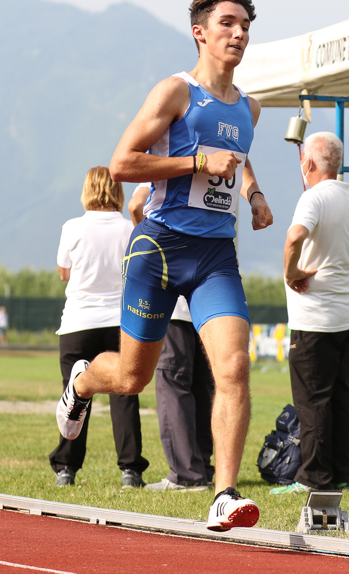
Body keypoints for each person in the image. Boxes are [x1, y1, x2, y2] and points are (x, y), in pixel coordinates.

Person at [56, 0, 273, 532]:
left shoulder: (249, 108)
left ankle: (223, 495)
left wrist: (253, 194)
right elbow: (122, 163)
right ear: (200, 32)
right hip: (159, 246)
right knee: (132, 378)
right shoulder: (175, 93)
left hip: (215, 255)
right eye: (227, 23)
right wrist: (197, 162)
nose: (239, 33)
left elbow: (238, 156)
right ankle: (82, 382)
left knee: (234, 365)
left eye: (245, 26)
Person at [273, 132, 349, 495]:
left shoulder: (313, 198)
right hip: (346, 315)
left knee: (312, 400)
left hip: (314, 317)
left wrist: (291, 272)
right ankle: (342, 472)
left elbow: (295, 236)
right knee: (340, 397)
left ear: (308, 163)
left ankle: (313, 477)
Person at [49, 166, 149, 489]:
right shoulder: (129, 228)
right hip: (120, 323)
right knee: (124, 394)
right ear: (117, 190)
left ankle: (66, 467)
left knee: (75, 394)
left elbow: (64, 272)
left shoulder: (72, 227)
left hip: (78, 322)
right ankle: (130, 470)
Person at [129, 184, 214, 492]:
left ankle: (186, 474)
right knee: (202, 386)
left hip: (173, 301)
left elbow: (135, 206)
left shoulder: (165, 171)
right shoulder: (213, 175)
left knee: (173, 382)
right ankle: (202, 465)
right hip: (207, 301)